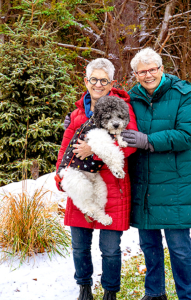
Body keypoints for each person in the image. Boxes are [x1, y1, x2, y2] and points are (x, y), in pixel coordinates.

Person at [121, 47, 191, 300]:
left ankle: (187, 296)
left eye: (152, 69)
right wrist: (76, 120)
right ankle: (155, 293)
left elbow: (186, 136)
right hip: (144, 183)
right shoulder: (131, 97)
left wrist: (147, 140)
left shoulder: (182, 94)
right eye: (141, 72)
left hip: (175, 183)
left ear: (162, 69)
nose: (147, 75)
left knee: (179, 248)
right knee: (149, 245)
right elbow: (103, 109)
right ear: (135, 74)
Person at [56, 58, 138, 300]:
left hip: (113, 186)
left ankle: (110, 292)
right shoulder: (78, 113)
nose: (98, 84)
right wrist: (60, 176)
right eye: (94, 79)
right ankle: (84, 287)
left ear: (111, 82)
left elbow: (130, 144)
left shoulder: (123, 107)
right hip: (80, 182)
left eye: (104, 80)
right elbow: (64, 149)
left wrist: (93, 149)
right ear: (86, 81)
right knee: (80, 246)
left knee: (110, 249)